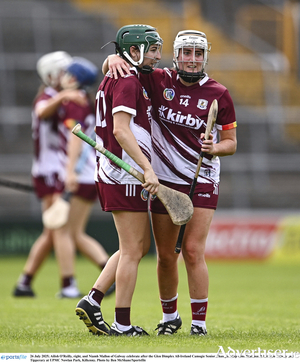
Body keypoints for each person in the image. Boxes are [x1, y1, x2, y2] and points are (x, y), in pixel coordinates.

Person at [103, 29, 237, 336]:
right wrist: (111, 58)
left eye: (198, 54)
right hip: (164, 183)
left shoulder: (219, 93)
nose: (192, 60)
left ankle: (199, 324)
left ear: (206, 57)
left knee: (192, 250)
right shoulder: (157, 79)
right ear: (175, 55)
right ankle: (169, 318)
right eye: (186, 53)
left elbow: (230, 142)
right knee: (166, 255)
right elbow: (124, 65)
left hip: (201, 179)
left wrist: (213, 148)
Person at [75, 24, 163, 336]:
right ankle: (122, 323)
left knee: (133, 247)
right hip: (123, 174)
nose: (156, 56)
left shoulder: (124, 76)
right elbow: (121, 131)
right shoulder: (127, 81)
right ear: (135, 50)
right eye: (151, 49)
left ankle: (92, 300)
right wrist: (147, 169)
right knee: (132, 251)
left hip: (119, 174)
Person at [13, 52, 113, 298]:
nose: (63, 76)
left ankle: (74, 284)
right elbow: (43, 112)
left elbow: (74, 139)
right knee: (58, 230)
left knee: (64, 232)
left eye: (67, 73)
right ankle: (24, 283)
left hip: (74, 174)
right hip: (86, 173)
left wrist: (69, 172)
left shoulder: (71, 101)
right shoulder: (75, 98)